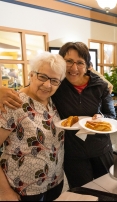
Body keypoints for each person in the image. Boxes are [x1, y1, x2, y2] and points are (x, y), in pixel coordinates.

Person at [0, 42, 116, 189]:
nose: (74, 68)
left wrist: (101, 117)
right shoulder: (57, 85)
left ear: (87, 65)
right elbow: (32, 87)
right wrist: (2, 91)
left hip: (101, 148)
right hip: (73, 153)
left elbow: (111, 115)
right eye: (69, 61)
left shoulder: (100, 86)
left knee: (109, 188)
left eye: (80, 62)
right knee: (82, 193)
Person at [0, 52, 66, 201]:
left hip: (54, 182)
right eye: (42, 77)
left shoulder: (52, 102)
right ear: (31, 75)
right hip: (24, 189)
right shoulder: (14, 103)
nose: (47, 85)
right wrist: (3, 191)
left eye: (54, 80)